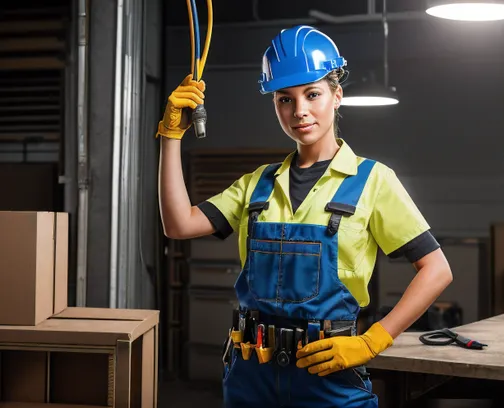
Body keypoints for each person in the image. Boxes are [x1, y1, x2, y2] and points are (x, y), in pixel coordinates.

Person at [156, 25, 453, 407]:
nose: (299, 111)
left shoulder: (372, 181)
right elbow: (178, 224)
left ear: (337, 95)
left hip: (329, 376)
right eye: (285, 99)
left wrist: (373, 340)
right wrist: (170, 137)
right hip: (252, 374)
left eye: (312, 94)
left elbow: (437, 269)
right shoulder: (257, 185)